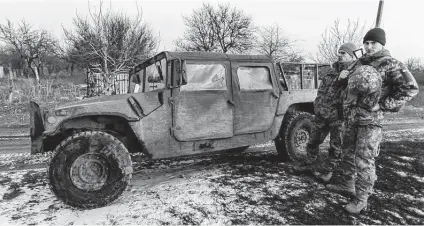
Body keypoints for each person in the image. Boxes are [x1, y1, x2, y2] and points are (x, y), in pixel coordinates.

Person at [326, 28, 419, 214]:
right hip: (351, 118)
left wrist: (383, 105)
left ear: (382, 44)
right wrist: (341, 79)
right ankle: (346, 184)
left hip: (370, 121)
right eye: (366, 43)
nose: (369, 47)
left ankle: (361, 198)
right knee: (347, 153)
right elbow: (349, 86)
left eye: (373, 43)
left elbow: (411, 88)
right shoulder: (358, 64)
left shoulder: (391, 64)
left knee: (364, 160)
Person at [294, 43, 357, 182]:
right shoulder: (330, 72)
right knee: (313, 140)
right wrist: (317, 106)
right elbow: (321, 92)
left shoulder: (354, 74)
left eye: (343, 53)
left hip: (338, 117)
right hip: (322, 113)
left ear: (352, 56)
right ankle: (309, 164)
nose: (339, 55)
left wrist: (343, 79)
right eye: (339, 52)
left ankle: (329, 171)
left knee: (336, 146)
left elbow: (352, 94)